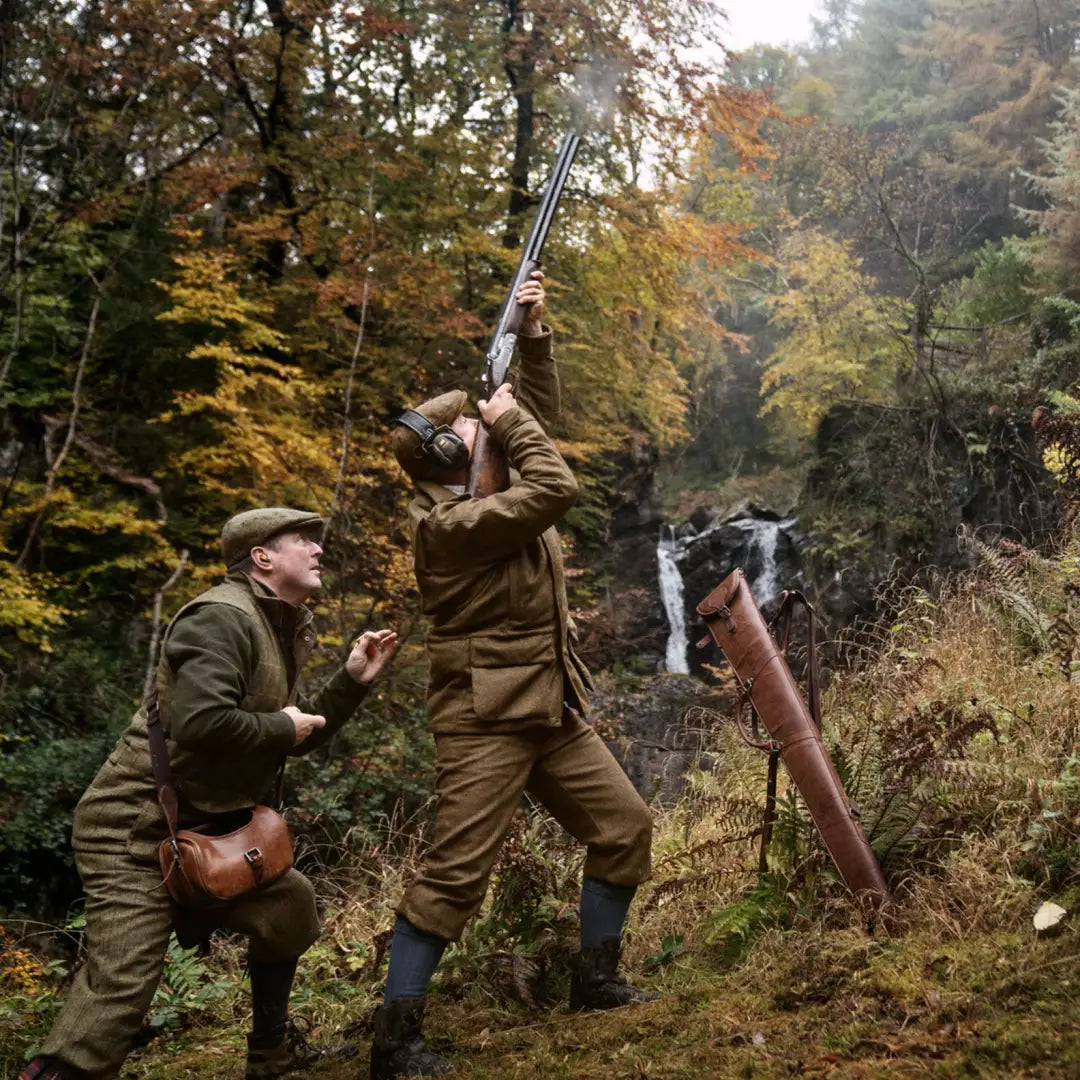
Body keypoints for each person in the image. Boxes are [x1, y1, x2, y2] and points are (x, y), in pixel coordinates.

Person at [378, 274, 655, 1078]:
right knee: (454, 875)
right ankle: (396, 1044)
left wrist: (531, 338)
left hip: (544, 701)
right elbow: (555, 480)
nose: (487, 426)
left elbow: (533, 426)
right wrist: (508, 417)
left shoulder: (486, 488)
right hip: (485, 715)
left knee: (624, 827)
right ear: (450, 461)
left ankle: (594, 984)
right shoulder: (455, 525)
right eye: (473, 428)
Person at [19, 508, 399, 1080]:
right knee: (124, 980)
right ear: (263, 557)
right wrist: (282, 727)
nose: (318, 550)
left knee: (289, 909)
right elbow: (202, 723)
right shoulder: (219, 617)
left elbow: (286, 735)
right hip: (135, 830)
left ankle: (271, 1054)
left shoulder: (278, 622)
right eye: (303, 540)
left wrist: (349, 682)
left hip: (210, 831)